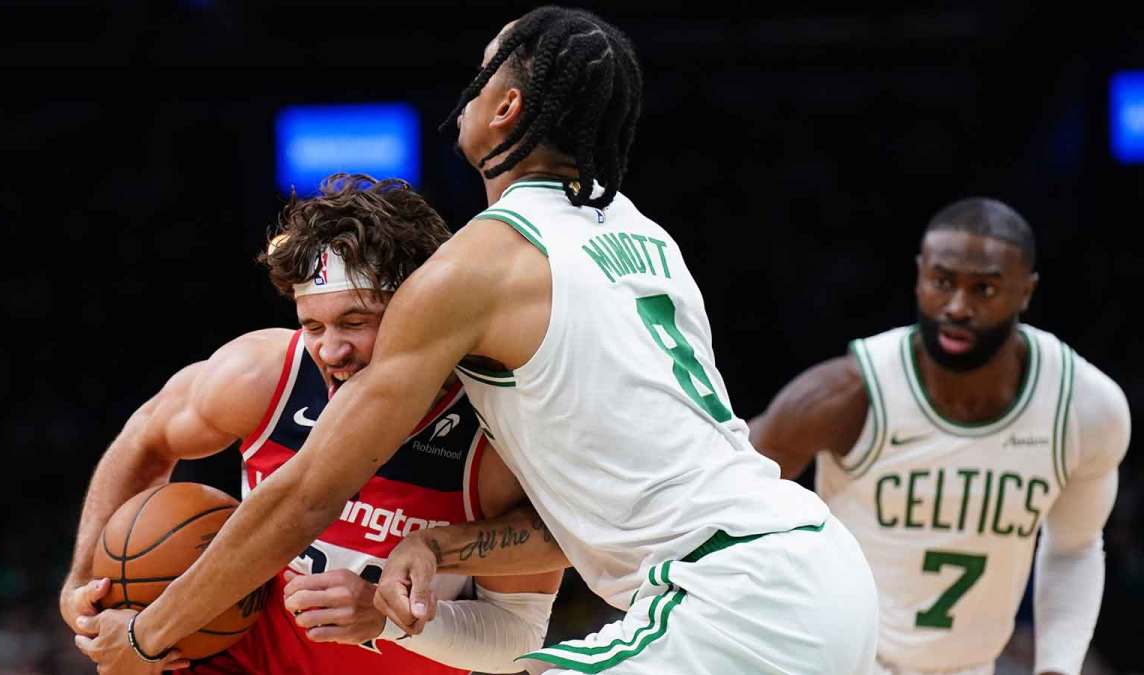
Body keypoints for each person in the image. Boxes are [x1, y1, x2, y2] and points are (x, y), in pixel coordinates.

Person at [78, 8, 878, 675]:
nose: (462, 96)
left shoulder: (479, 264)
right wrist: (439, 540)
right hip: (811, 568)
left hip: (733, 593)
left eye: (478, 78)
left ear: (505, 108)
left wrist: (150, 635)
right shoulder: (642, 235)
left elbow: (309, 490)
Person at [63, 174, 561, 674]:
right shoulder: (264, 375)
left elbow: (519, 640)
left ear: (423, 309)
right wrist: (82, 581)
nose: (330, 350)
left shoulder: (492, 430)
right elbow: (145, 438)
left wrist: (384, 618)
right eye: (313, 325)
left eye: (355, 322)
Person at [748, 197, 1131, 675]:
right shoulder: (843, 395)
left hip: (971, 666)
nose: (957, 307)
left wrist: (1057, 667)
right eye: (942, 282)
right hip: (842, 659)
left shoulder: (1085, 408)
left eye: (984, 289)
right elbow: (722, 501)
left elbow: (1074, 547)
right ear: (919, 275)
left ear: (1025, 292)